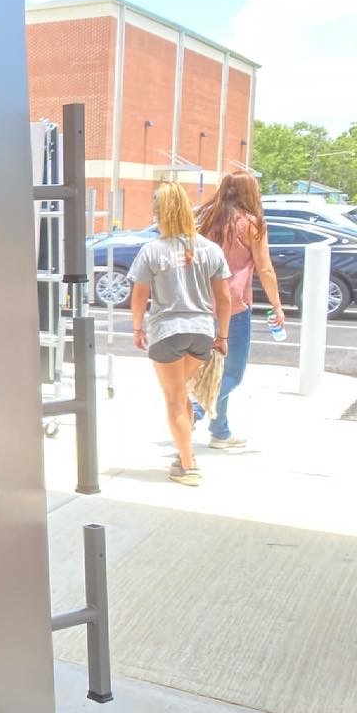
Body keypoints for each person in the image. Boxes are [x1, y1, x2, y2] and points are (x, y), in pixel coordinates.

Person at [128, 181, 232, 485]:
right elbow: (224, 298)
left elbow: (138, 297)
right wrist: (222, 336)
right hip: (201, 332)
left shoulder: (153, 250)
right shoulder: (210, 249)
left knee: (173, 399)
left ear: (159, 213)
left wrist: (137, 328)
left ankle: (188, 467)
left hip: (167, 332)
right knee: (182, 391)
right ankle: (186, 453)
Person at [193, 172, 286, 447]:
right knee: (233, 373)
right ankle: (195, 410)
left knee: (213, 369)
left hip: (200, 302)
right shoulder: (252, 224)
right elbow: (265, 268)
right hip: (232, 306)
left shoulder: (205, 218)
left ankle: (220, 431)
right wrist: (277, 306)